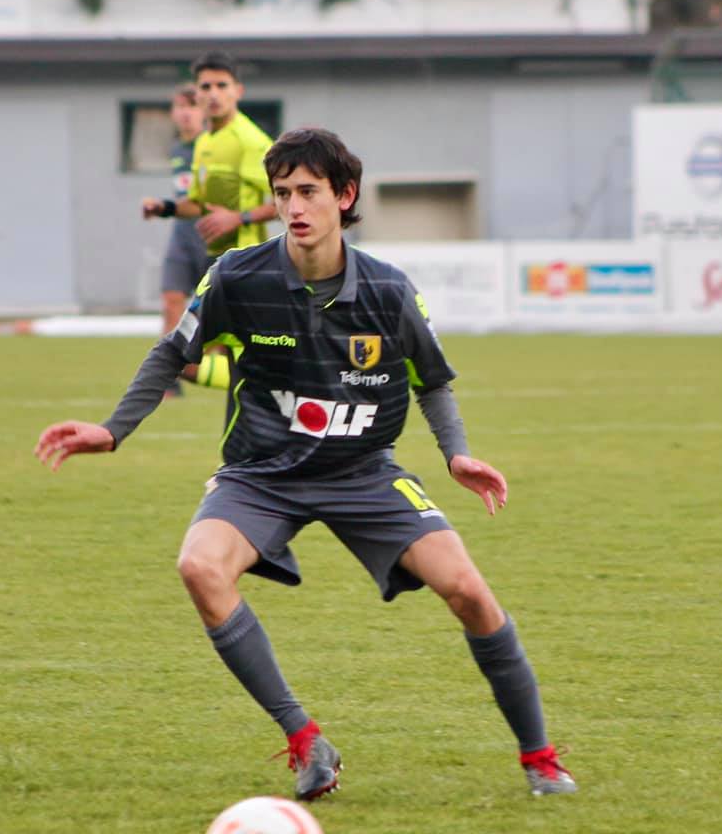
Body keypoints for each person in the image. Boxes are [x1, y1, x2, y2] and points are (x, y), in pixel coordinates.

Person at [34, 128, 577, 802]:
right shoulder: (237, 277)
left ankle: (541, 758)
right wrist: (112, 431)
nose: (294, 205)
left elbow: (433, 380)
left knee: (467, 589)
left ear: (343, 196)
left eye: (308, 192)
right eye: (283, 192)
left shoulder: (389, 291)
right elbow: (171, 353)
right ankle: (304, 738)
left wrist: (456, 452)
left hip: (363, 470)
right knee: (199, 566)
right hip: (262, 473)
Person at [142, 50, 277, 390]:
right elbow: (200, 204)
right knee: (207, 355)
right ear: (197, 93)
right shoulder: (205, 142)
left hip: (247, 261)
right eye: (206, 86)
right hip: (216, 259)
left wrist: (239, 217)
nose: (213, 93)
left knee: (189, 358)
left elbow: (285, 200)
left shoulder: (252, 141)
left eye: (222, 85)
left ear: (238, 92)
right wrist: (167, 208)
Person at [141, 83, 207, 397]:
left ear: (204, 111)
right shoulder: (177, 149)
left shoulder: (212, 147)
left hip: (213, 239)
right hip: (181, 237)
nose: (184, 113)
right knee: (171, 302)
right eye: (179, 106)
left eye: (191, 106)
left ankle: (229, 373)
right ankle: (169, 378)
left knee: (224, 314)